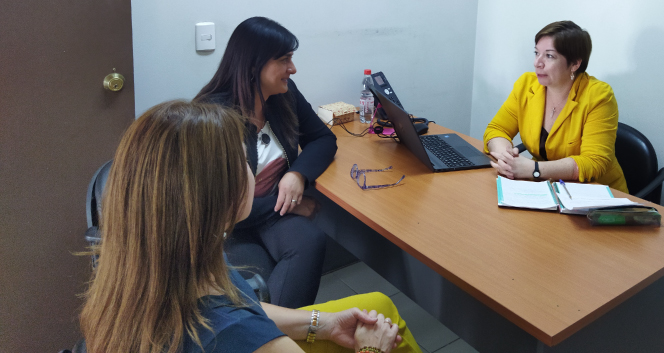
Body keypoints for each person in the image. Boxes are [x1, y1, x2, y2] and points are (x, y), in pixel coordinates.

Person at [79, 100, 421, 353]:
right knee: (383, 331)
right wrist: (372, 350)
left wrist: (323, 324)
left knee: (378, 303)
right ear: (222, 197)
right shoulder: (241, 337)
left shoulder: (160, 262)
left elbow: (241, 301)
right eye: (243, 158)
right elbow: (240, 320)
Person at [195, 16, 337, 308]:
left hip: (269, 210)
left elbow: (323, 139)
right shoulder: (212, 117)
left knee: (310, 241)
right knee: (259, 278)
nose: (292, 69)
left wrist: (297, 175)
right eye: (284, 60)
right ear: (253, 64)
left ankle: (280, 338)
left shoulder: (284, 95)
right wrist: (287, 207)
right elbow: (220, 206)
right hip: (229, 224)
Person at [483, 21, 628, 193]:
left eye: (549, 56)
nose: (538, 62)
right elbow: (497, 129)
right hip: (546, 190)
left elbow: (593, 162)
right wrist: (505, 157)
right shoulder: (526, 85)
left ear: (575, 64)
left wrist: (534, 169)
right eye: (536, 53)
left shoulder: (598, 96)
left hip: (594, 196)